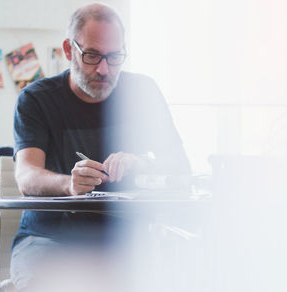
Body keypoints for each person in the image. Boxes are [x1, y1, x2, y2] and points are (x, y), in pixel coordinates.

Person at [10, 3, 191, 291]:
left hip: (124, 242)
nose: (104, 69)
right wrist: (69, 185)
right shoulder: (36, 100)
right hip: (49, 239)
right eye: (92, 55)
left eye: (115, 57)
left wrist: (140, 163)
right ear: (69, 51)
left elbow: (180, 167)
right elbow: (27, 177)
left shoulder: (142, 93)